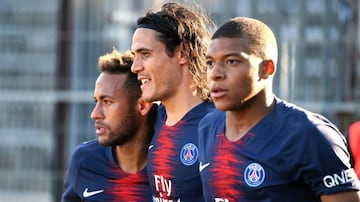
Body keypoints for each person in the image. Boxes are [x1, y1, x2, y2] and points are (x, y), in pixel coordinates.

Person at [198, 16, 360, 201]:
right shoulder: (207, 127)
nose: (215, 74)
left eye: (232, 61)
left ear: (267, 68)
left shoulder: (308, 135)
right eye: (210, 63)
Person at [131, 2, 215, 201]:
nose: (135, 67)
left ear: (183, 53)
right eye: (135, 56)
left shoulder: (217, 127)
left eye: (145, 54)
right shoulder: (153, 119)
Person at [61, 49, 157, 202]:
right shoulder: (85, 161)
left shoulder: (171, 165)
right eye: (96, 101)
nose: (95, 114)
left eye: (107, 102)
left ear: (142, 106)